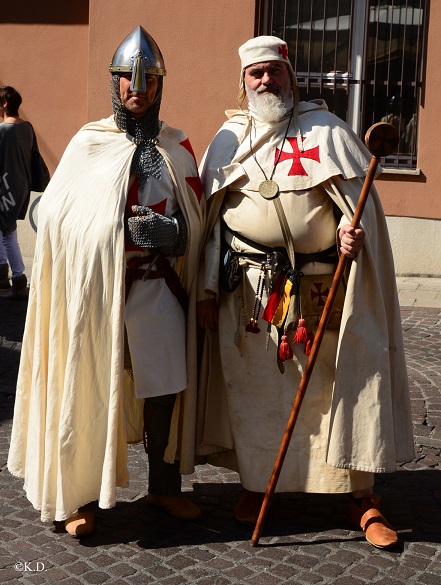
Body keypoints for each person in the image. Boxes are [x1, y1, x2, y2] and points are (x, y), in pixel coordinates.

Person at [196, 36, 414, 550]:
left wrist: (348, 236)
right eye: (256, 74)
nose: (266, 81)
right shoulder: (228, 139)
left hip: (323, 291)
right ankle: (257, 484)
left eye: (274, 72)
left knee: (340, 391)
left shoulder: (328, 132)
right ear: (243, 82)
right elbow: (214, 228)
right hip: (249, 294)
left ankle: (361, 496)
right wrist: (207, 290)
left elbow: (356, 208)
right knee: (255, 394)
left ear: (291, 77)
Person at [8, 26, 204, 537]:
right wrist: (109, 227)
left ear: (160, 85)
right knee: (88, 387)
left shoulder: (177, 146)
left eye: (147, 79)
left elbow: (198, 218)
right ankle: (81, 497)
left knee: (165, 389)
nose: (137, 87)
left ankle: (163, 487)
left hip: (158, 289)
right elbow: (49, 215)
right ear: (114, 83)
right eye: (127, 78)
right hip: (96, 297)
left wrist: (175, 232)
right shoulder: (88, 142)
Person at [0, 86, 35, 299]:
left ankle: (19, 279)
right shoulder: (28, 128)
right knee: (5, 230)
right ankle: (4, 278)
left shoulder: (3, 130)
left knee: (8, 234)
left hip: (5, 187)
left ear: (5, 103)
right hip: (21, 186)